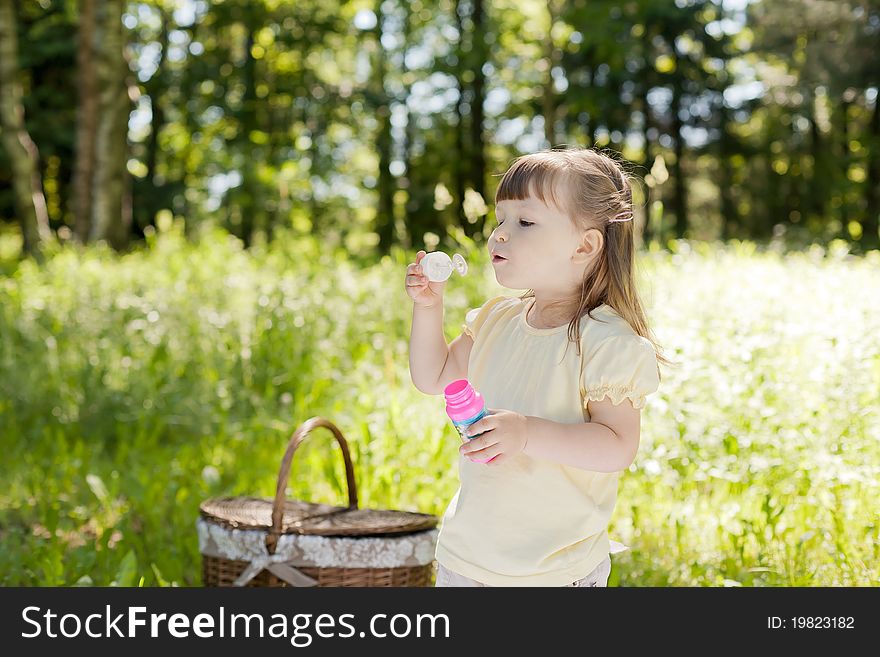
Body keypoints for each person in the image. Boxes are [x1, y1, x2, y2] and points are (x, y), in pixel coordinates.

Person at [405, 146, 668, 587]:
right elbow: (432, 377)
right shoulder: (495, 321)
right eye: (500, 219)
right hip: (468, 557)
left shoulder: (607, 344)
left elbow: (617, 446)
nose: (500, 235)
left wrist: (527, 433)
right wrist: (428, 308)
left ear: (584, 245)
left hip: (554, 569)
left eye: (525, 222)